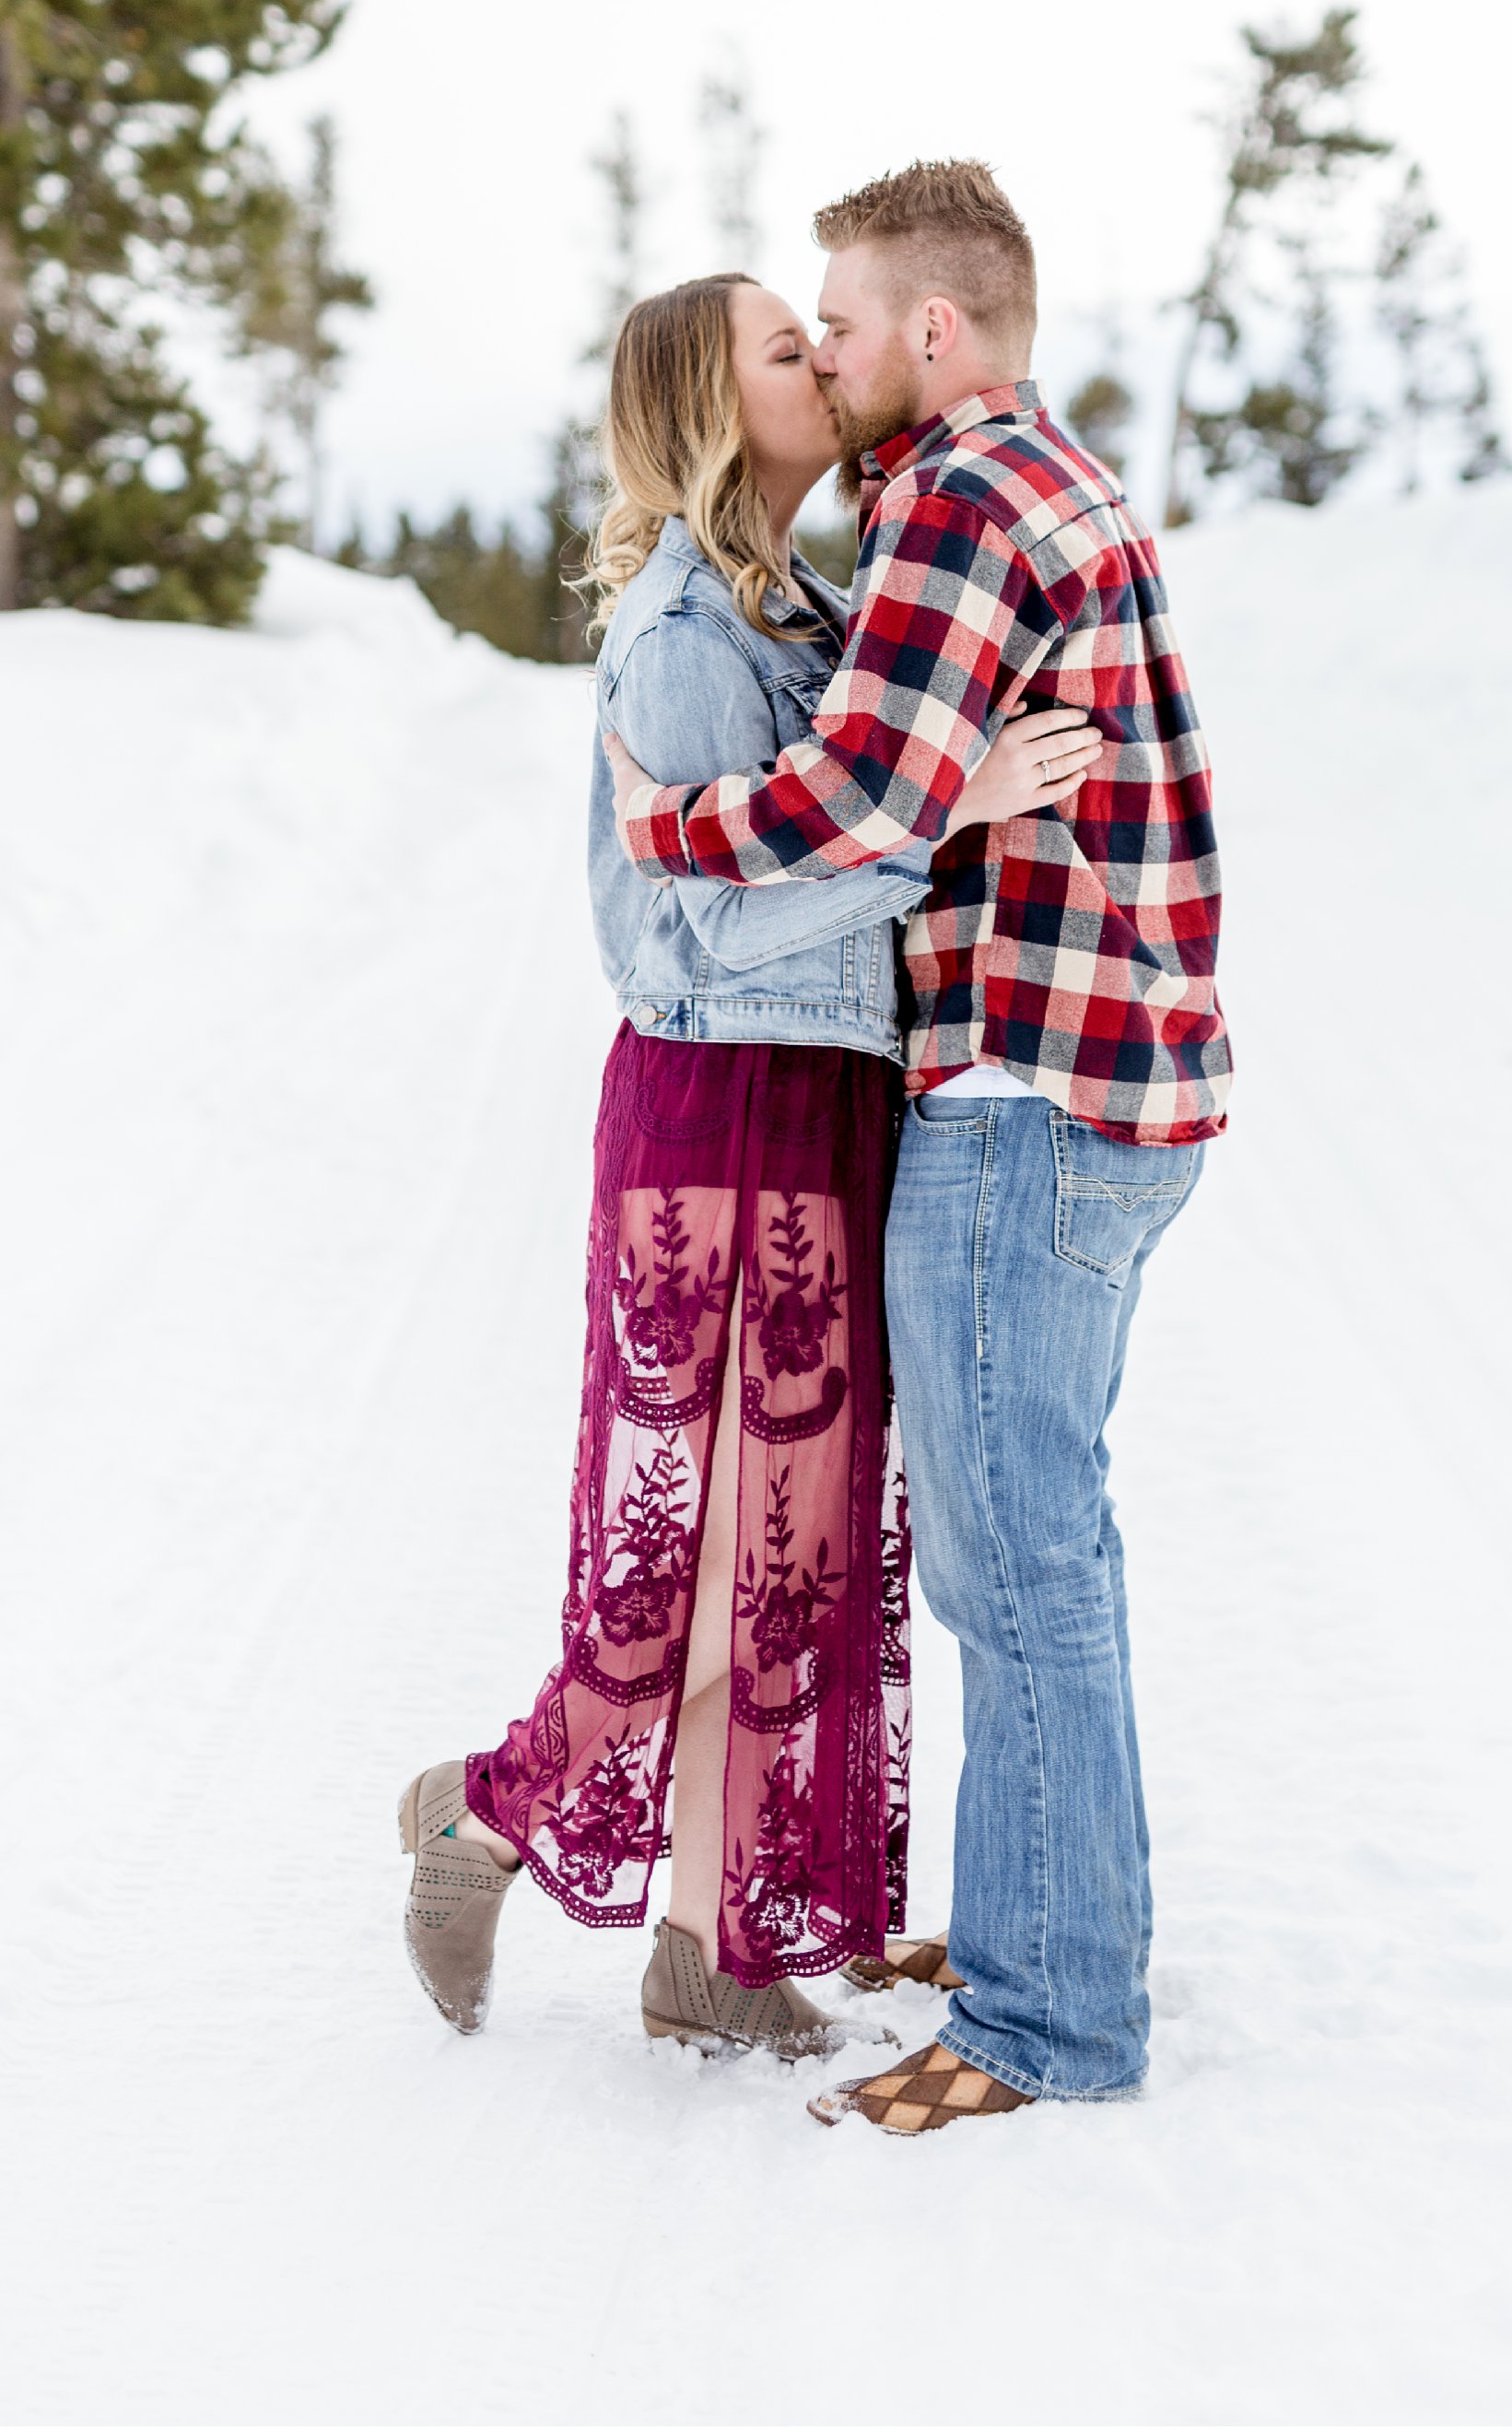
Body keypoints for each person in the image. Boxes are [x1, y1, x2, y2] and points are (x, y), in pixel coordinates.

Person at [396, 270, 1095, 2060]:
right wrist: (953, 812)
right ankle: (482, 1810)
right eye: (791, 350)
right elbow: (708, 929)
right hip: (721, 1111)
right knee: (697, 1571)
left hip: (830, 1102)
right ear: (720, 410)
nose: (828, 361)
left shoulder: (809, 609)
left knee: (788, 1556)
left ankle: (713, 1945)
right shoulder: (688, 640)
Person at [604, 160, 1231, 2133]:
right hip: (1112, 1087)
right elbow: (928, 788)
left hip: (1027, 1092)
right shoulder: (1056, 476)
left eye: (844, 321)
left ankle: (1051, 2015)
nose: (833, 350)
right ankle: (1053, 1920)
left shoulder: (959, 492)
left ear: (933, 334)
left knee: (1016, 1560)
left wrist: (669, 827)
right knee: (1039, 1543)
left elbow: (864, 788)